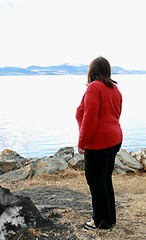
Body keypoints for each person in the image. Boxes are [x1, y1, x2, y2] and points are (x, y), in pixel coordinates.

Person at [75, 56, 123, 230]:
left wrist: (82, 141)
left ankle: (101, 222)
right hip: (114, 138)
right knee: (104, 179)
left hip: (99, 142)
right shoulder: (114, 88)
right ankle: (109, 219)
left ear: (92, 71)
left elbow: (90, 119)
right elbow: (116, 114)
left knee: (96, 181)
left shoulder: (94, 88)